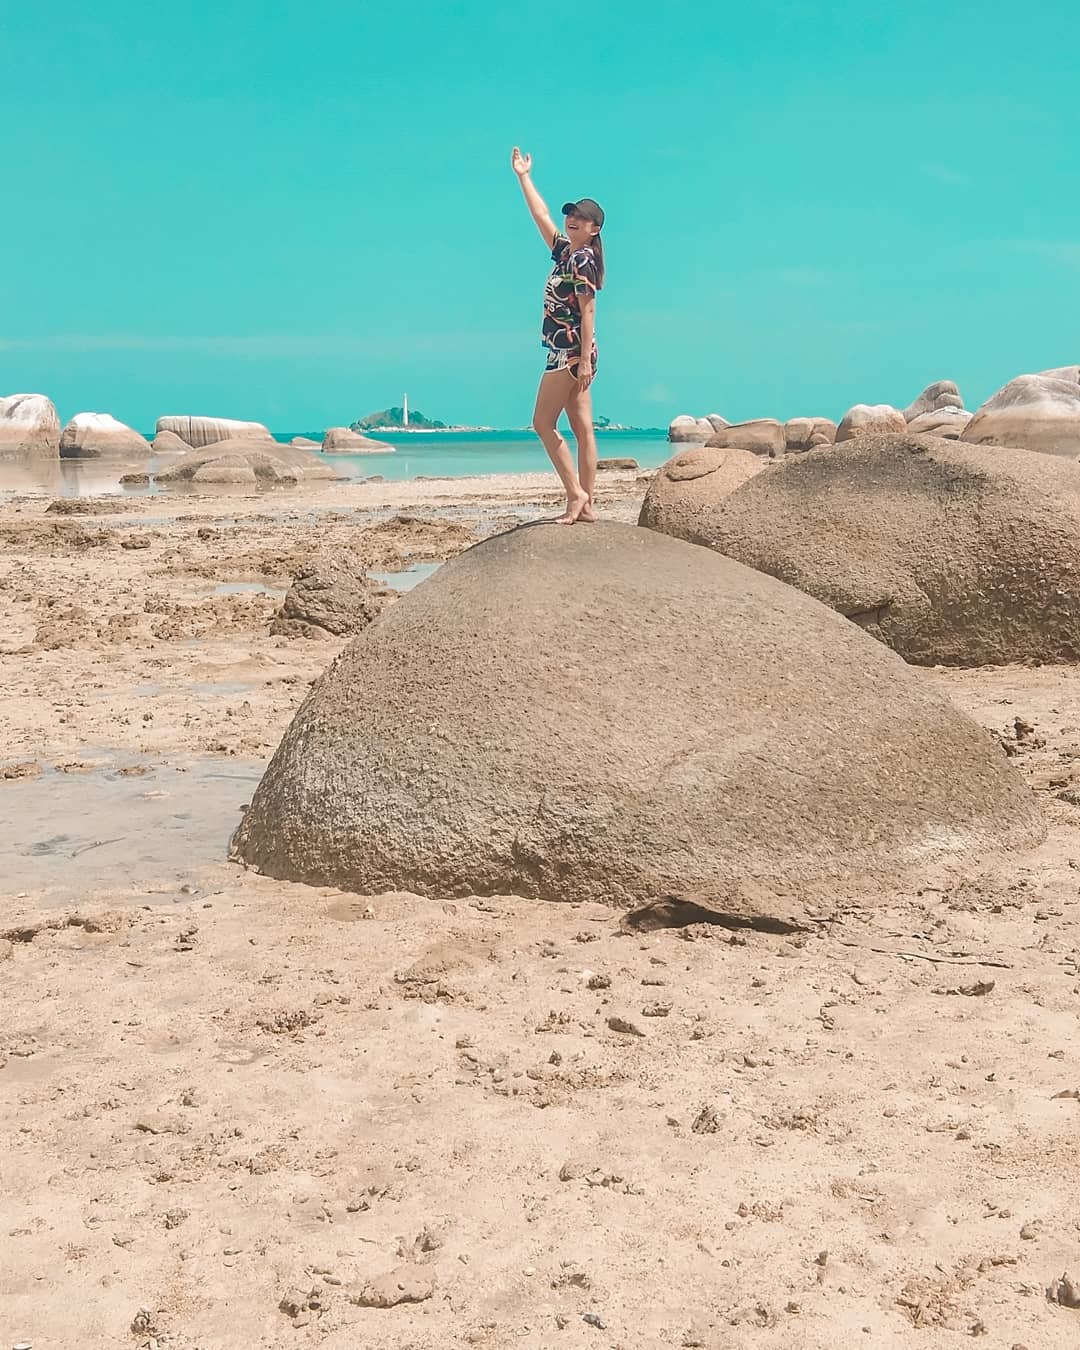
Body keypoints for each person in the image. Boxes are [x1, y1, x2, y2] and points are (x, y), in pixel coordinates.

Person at [511, 146, 606, 524]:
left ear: (594, 228)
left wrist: (582, 361)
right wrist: (524, 177)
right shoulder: (567, 252)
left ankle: (575, 494)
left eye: (581, 219)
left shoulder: (582, 260)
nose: (571, 220)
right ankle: (588, 505)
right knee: (583, 429)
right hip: (577, 354)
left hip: (569, 354)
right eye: (571, 215)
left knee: (542, 423)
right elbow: (541, 215)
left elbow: (588, 310)